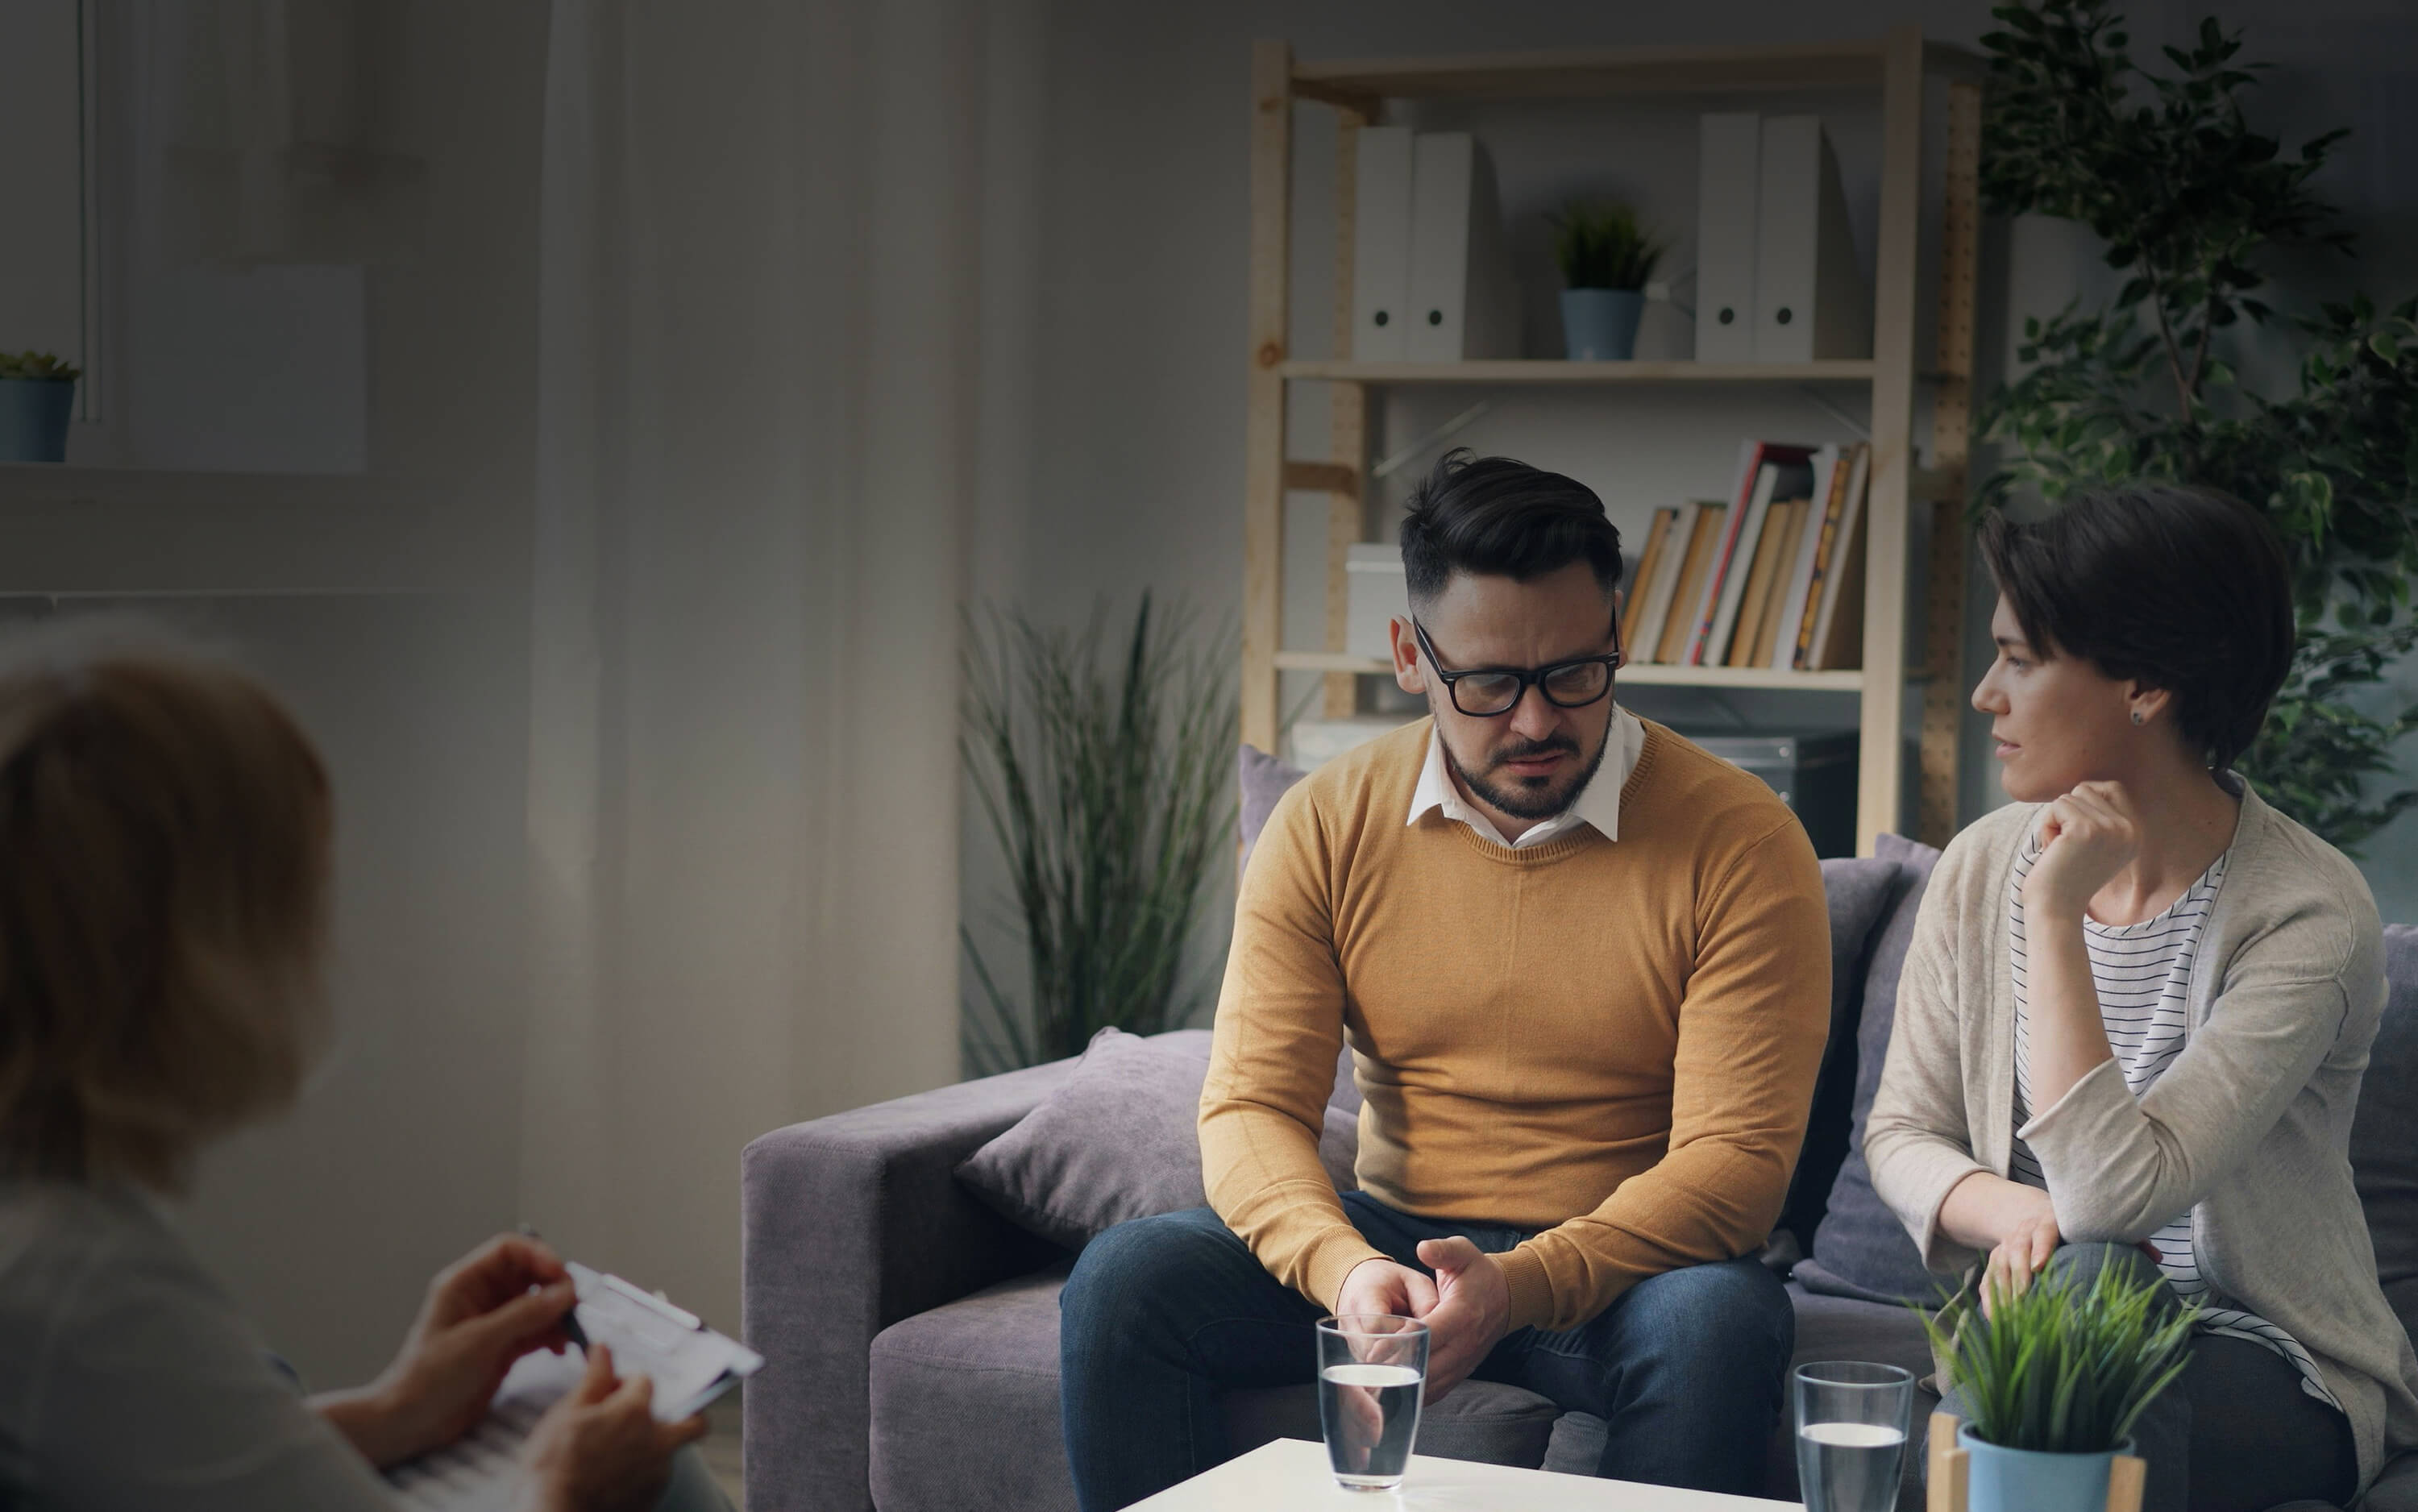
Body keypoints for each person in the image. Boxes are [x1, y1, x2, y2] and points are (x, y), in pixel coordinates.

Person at [1056, 450, 1832, 1510]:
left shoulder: (1742, 839)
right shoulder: (1325, 823)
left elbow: (1737, 1163)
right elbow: (1249, 1109)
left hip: (1624, 1270)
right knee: (1123, 1287)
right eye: (1488, 682)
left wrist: (1522, 1287)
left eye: (1573, 672)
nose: (1535, 721)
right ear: (1409, 656)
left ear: (1618, 632)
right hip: (1392, 1235)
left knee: (1719, 1323)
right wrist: (1340, 1269)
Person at [0, 625, 728, 1512]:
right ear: (193, 957)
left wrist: (398, 1408)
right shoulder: (85, 1290)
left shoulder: (54, 1231)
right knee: (665, 1481)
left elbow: (165, 1463)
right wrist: (562, 1492)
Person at [1863, 485, 2418, 1512]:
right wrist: (2025, 1210)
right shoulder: (1983, 865)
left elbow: (2119, 1200)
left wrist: (2058, 919)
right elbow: (1902, 1132)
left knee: (2069, 1318)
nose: (1987, 692)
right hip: (2045, 1338)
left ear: (2146, 684)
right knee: (2062, 1322)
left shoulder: (2308, 913)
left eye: (2022, 659)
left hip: (2269, 1361)